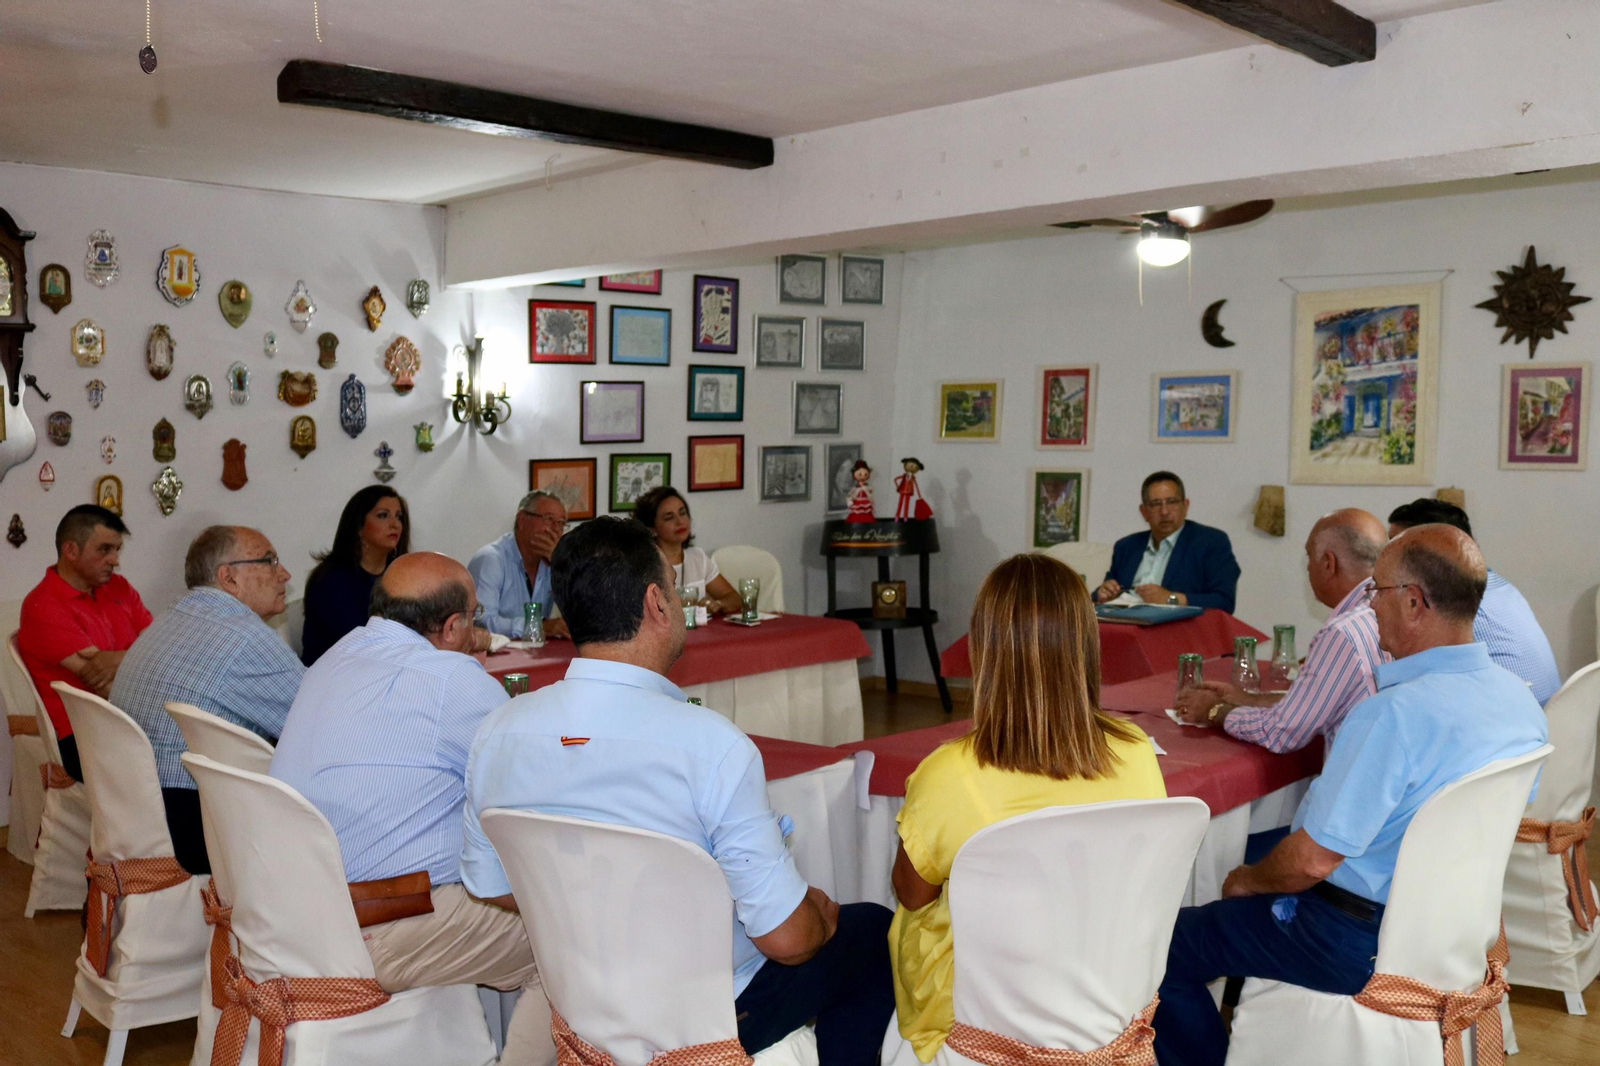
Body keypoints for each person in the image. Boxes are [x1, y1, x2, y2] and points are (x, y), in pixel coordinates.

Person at [460, 518, 894, 1066]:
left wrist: (601, 912)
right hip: (708, 1016)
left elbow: (491, 883)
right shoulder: (711, 745)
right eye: (673, 584)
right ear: (657, 603)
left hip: (586, 999)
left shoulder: (498, 733)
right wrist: (818, 917)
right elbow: (789, 941)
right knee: (870, 931)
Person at [1152, 525, 1548, 1066]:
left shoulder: (1392, 716)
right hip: (1449, 929)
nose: (1370, 604)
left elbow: (1309, 862)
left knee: (1161, 949)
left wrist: (1246, 881)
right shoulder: (1519, 702)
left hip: (1350, 938)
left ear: (1413, 603)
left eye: (1376, 590)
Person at [271, 553, 555, 1066]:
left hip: (295, 913)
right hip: (377, 927)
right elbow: (535, 787)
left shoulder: (333, 657)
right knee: (569, 938)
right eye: (475, 616)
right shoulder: (451, 678)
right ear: (453, 626)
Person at [889, 554, 1165, 1061]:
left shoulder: (951, 775)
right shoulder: (1136, 750)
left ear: (983, 650)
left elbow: (911, 893)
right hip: (1104, 996)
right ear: (1086, 645)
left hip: (981, 1017)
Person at [111, 526, 304, 874]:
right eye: (270, 561)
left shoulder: (169, 619)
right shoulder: (244, 635)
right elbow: (319, 724)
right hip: (192, 821)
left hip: (132, 808)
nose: (285, 574)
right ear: (228, 578)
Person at [1175, 509, 1389, 752]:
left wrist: (1214, 711)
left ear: (1328, 564)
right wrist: (1247, 700)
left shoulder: (1343, 633)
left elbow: (1282, 732)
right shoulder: (1388, 612)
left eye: (1309, 557)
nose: (1308, 568)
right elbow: (1315, 702)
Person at [17, 505, 153, 782]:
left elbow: (161, 646)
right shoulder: (43, 605)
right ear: (71, 550)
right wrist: (149, 661)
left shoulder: (119, 587)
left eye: (117, 549)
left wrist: (115, 659)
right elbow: (105, 686)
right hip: (84, 736)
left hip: (133, 721)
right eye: (104, 550)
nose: (115, 560)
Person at [1387, 498, 1560, 704]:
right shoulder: (1503, 588)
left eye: (1395, 547)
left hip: (1505, 716)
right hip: (1542, 717)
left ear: (1436, 553)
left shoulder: (1454, 605)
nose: (1385, 556)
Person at [1095, 471, 1240, 612]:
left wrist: (1171, 599)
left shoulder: (1210, 542)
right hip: (1124, 622)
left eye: (1172, 502)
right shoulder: (1126, 546)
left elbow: (1224, 601)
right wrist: (1103, 594)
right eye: (1156, 504)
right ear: (1144, 512)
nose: (1164, 512)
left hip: (1177, 625)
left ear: (1185, 506)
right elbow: (1099, 594)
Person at [299, 485, 410, 666]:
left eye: (399, 517)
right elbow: (360, 642)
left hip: (384, 666)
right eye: (383, 515)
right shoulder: (332, 580)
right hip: (335, 672)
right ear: (359, 526)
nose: (395, 524)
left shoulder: (402, 574)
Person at [468, 490, 571, 641]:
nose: (556, 529)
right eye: (549, 519)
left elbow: (580, 612)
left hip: (537, 650)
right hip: (494, 652)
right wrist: (538, 626)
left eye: (561, 523)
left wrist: (561, 567)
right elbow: (480, 622)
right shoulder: (491, 559)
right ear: (522, 520)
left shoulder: (553, 562)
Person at [633, 486, 742, 615]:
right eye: (669, 517)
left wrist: (718, 604)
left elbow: (734, 598)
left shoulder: (697, 557)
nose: (680, 521)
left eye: (682, 513)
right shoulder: (643, 565)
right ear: (652, 529)